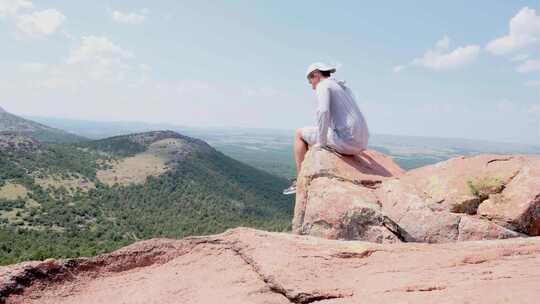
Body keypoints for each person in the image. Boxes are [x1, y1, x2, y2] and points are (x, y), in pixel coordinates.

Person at [282, 62, 370, 195]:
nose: (311, 86)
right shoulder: (340, 87)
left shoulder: (323, 85)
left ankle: (300, 181)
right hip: (361, 142)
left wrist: (321, 143)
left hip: (347, 142)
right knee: (315, 133)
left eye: (310, 80)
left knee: (299, 133)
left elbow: (323, 111)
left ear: (316, 75)